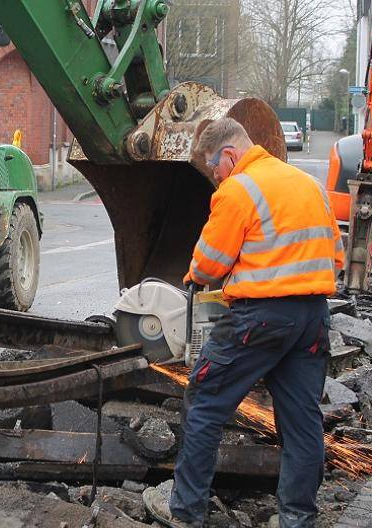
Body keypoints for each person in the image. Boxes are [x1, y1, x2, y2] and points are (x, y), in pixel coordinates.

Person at [143, 118, 345, 528]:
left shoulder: (240, 188)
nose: (215, 180)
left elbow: (209, 264)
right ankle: (296, 518)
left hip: (259, 320)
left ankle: (185, 511)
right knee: (302, 421)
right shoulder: (309, 186)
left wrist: (195, 279)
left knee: (204, 404)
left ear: (230, 156)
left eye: (214, 169)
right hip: (312, 320)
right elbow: (336, 258)